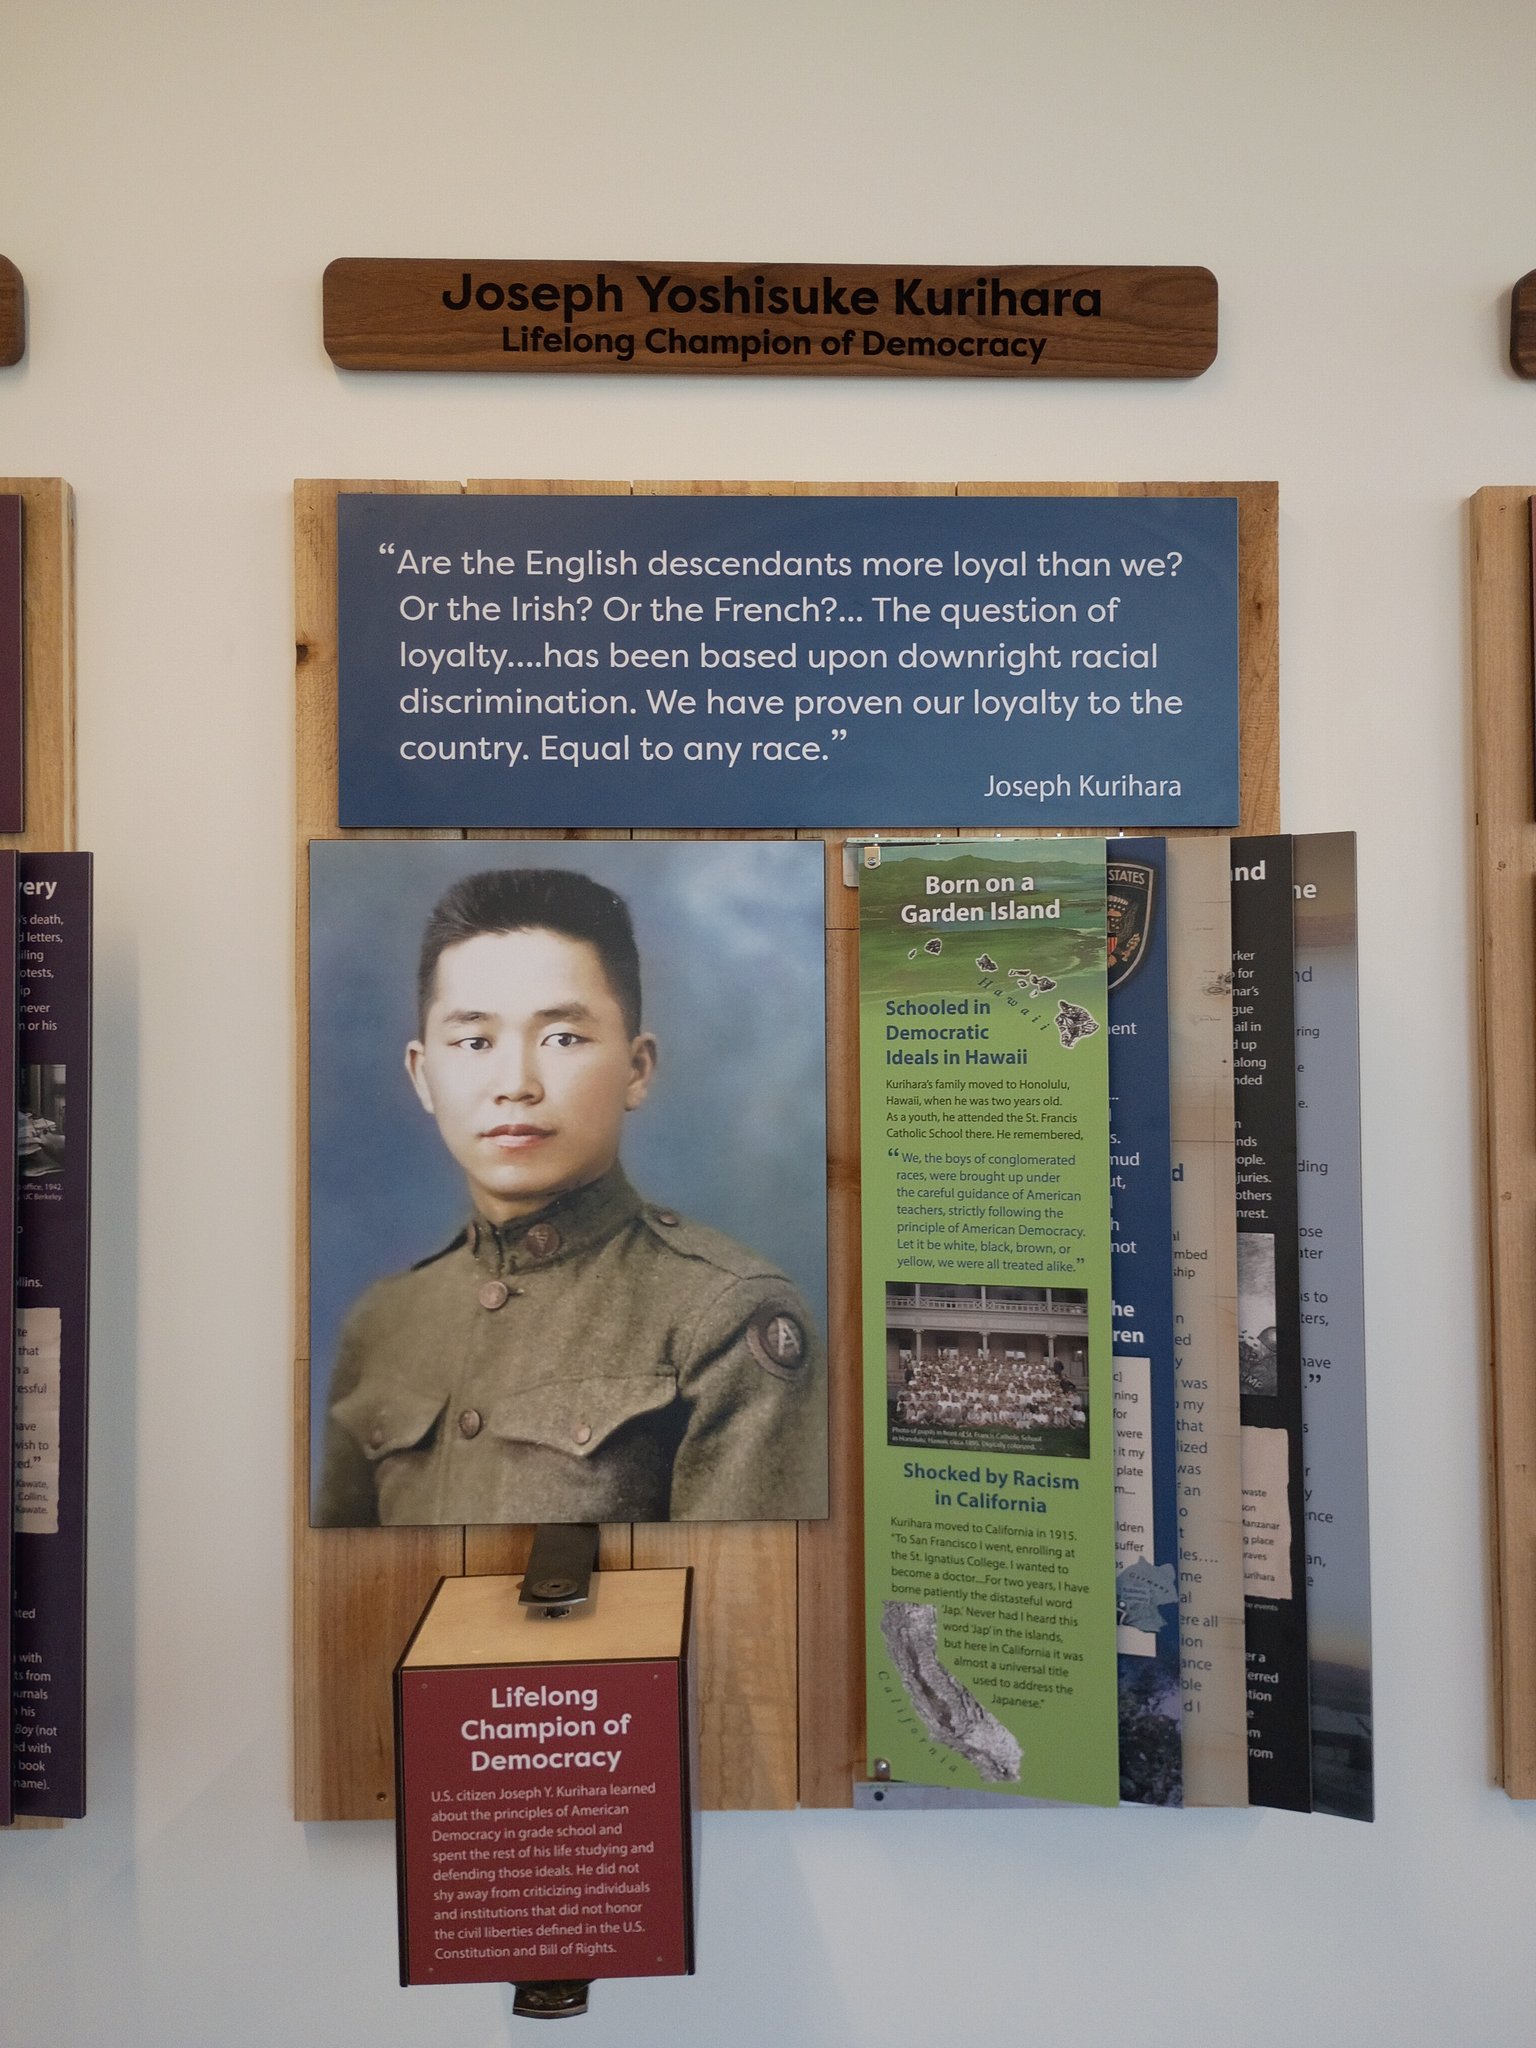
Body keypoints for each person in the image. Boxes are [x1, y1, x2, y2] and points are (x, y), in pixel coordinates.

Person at [314, 866, 826, 1527]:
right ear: (423, 1075)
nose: (516, 1084)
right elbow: (348, 1598)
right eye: (474, 1041)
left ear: (636, 1070)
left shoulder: (724, 1315)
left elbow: (740, 1610)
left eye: (563, 1038)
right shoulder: (384, 1323)